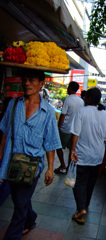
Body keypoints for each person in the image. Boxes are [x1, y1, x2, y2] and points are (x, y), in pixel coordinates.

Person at [0, 69, 61, 240]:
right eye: (25, 79)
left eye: (32, 80)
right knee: (19, 197)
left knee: (19, 205)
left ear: (42, 83)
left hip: (32, 166)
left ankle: (12, 235)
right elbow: (5, 132)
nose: (27, 83)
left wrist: (50, 168)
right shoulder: (13, 104)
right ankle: (31, 219)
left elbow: (50, 142)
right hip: (11, 163)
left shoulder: (47, 111)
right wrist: (0, 155)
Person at [70, 87, 106, 223]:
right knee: (91, 182)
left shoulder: (82, 111)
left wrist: (72, 150)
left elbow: (75, 133)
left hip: (82, 155)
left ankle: (81, 208)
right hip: (97, 156)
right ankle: (85, 204)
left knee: (79, 182)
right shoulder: (104, 114)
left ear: (87, 98)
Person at [54, 81, 84, 174]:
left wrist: (58, 127)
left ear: (70, 88)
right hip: (75, 129)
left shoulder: (68, 99)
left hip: (65, 128)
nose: (67, 89)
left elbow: (63, 115)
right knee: (72, 149)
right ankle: (68, 168)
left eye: (68, 87)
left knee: (58, 147)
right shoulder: (81, 101)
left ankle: (63, 164)